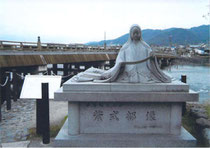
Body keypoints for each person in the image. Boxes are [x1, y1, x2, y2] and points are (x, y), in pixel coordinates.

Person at [72, 24, 171, 83]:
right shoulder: (126, 47)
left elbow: (151, 59)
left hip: (143, 74)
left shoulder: (145, 47)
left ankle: (92, 72)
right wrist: (120, 64)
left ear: (140, 34)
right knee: (107, 74)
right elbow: (120, 59)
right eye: (134, 33)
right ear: (131, 34)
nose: (136, 35)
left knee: (105, 74)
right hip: (128, 72)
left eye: (138, 33)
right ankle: (91, 72)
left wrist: (152, 57)